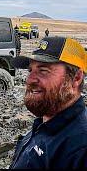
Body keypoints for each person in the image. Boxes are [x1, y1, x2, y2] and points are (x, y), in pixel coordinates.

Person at [10, 36, 87, 169]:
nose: (29, 80)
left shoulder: (81, 149)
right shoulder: (46, 122)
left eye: (43, 70)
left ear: (76, 78)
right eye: (30, 71)